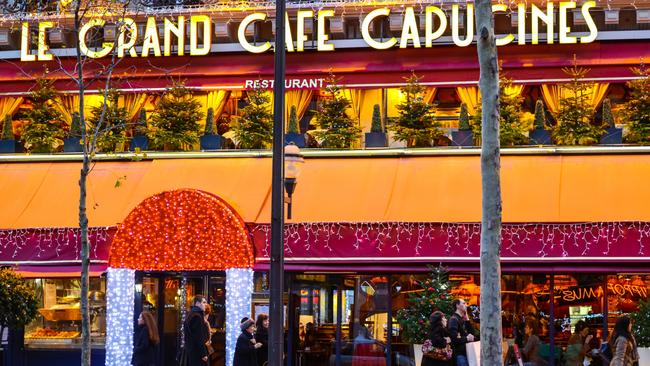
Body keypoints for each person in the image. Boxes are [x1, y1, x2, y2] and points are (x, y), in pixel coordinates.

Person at [448, 299, 478, 366]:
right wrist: (467, 338)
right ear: (457, 305)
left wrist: (467, 319)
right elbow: (453, 339)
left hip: (467, 353)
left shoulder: (462, 319)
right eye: (464, 303)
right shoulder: (453, 319)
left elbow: (473, 334)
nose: (466, 305)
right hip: (460, 355)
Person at [184, 295, 211, 366]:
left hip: (192, 351)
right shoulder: (197, 317)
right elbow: (198, 337)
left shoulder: (191, 314)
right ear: (197, 304)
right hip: (197, 353)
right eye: (204, 302)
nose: (205, 304)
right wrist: (203, 354)